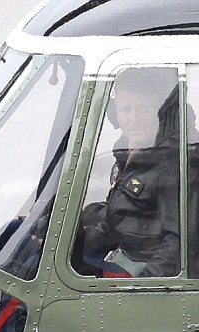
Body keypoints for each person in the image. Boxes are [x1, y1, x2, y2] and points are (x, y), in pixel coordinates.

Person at [79, 67, 180, 277]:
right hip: (123, 255)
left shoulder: (170, 168)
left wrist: (140, 286)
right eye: (126, 110)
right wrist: (74, 240)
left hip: (140, 272)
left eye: (143, 109)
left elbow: (176, 244)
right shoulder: (128, 155)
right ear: (115, 115)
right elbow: (120, 222)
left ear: (159, 112)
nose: (135, 119)